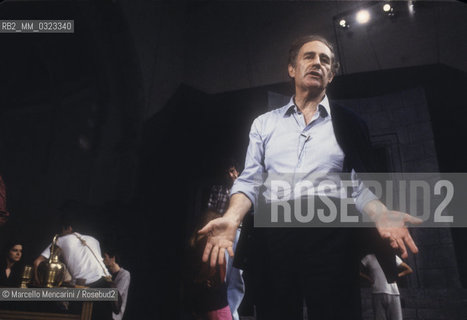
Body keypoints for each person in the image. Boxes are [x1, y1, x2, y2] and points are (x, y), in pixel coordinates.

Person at [198, 35, 421, 320]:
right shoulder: (264, 123)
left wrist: (380, 213)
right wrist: (232, 218)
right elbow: (250, 180)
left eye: (325, 59)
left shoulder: (351, 123)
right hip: (274, 235)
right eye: (309, 56)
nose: (317, 62)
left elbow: (359, 186)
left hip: (331, 235)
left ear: (331, 74)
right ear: (292, 69)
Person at [33, 205, 118, 320]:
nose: (60, 232)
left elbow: (37, 262)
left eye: (61, 229)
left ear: (67, 228)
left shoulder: (60, 240)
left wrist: (38, 283)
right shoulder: (93, 240)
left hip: (87, 288)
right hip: (107, 284)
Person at [206, 160, 244, 320]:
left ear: (237, 172)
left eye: (232, 171)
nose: (230, 175)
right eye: (227, 172)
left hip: (239, 233)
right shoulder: (218, 189)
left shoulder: (242, 189)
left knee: (236, 274)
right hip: (221, 235)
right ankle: (222, 312)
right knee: (222, 272)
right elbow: (210, 211)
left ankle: (232, 313)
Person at [183, 211, 232, 320]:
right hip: (216, 304)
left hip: (198, 305)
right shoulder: (214, 248)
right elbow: (220, 277)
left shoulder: (192, 245)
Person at [361, 254, 413, 320]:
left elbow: (409, 269)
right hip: (377, 292)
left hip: (393, 292)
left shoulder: (393, 256)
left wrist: (397, 276)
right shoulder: (369, 257)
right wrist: (368, 278)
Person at [103, 250, 131, 320]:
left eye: (105, 257)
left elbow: (116, 295)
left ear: (113, 259)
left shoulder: (125, 274)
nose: (102, 260)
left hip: (113, 316)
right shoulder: (108, 275)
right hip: (105, 313)